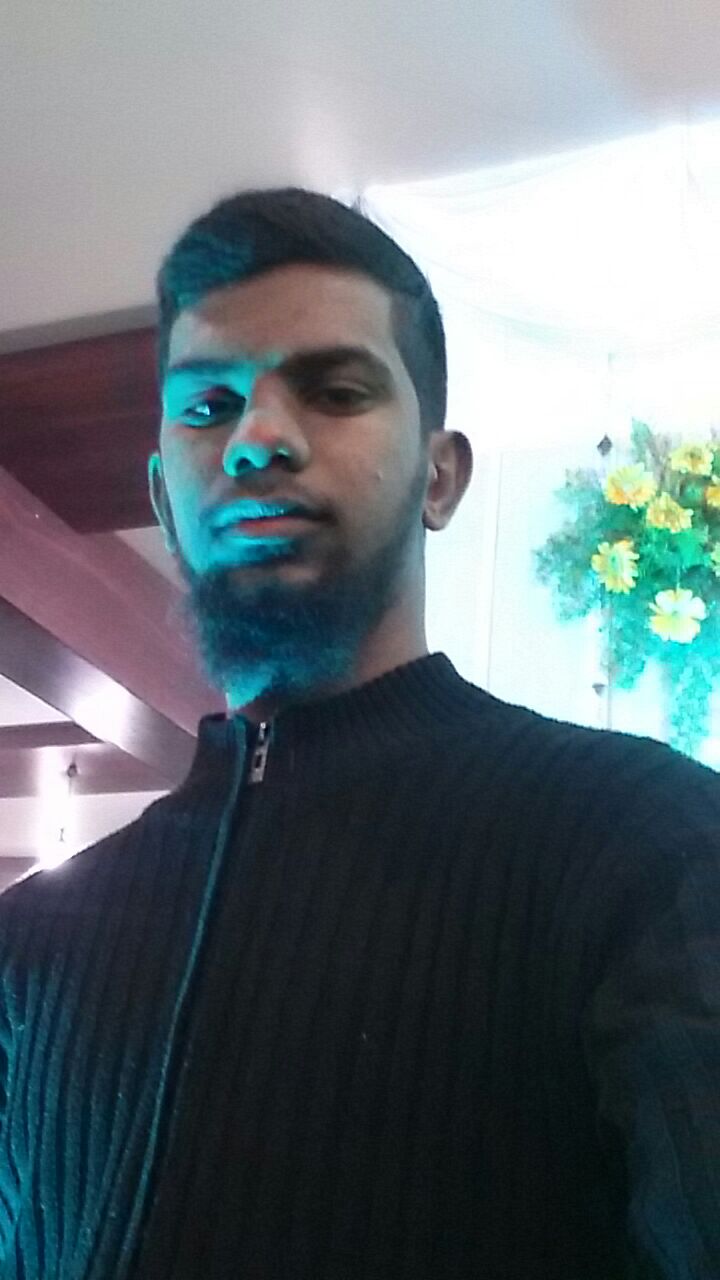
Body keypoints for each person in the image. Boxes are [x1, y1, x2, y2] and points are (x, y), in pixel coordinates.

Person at [0, 187, 718, 1280]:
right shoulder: (35, 937)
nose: (258, 438)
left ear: (441, 475)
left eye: (334, 390)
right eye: (208, 407)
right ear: (163, 495)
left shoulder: (648, 838)